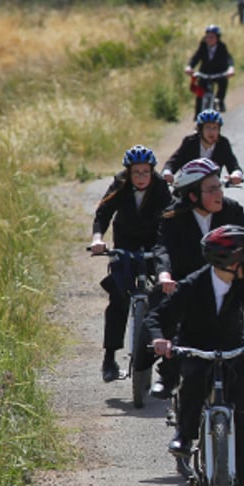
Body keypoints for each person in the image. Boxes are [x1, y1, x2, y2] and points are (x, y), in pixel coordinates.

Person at [147, 225, 244, 486]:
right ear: (227, 260)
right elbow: (158, 316)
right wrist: (161, 339)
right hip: (198, 350)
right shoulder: (193, 285)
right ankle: (184, 436)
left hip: (233, 353)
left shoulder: (242, 284)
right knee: (194, 380)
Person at [144, 158, 244, 398]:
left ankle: (237, 374)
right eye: (211, 189)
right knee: (165, 310)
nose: (219, 193)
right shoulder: (172, 216)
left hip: (225, 278)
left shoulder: (232, 210)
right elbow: (163, 248)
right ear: (192, 195)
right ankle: (167, 375)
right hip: (184, 280)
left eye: (219, 186)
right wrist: (164, 274)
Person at [89, 145, 174, 382]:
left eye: (145, 172)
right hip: (125, 243)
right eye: (136, 172)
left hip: (152, 244)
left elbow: (170, 217)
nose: (140, 177)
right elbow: (103, 212)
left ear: (152, 171)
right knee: (118, 297)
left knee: (165, 297)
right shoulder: (121, 183)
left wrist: (169, 248)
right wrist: (98, 239)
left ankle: (167, 365)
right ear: (128, 172)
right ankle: (109, 359)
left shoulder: (160, 187)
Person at [161, 109, 244, 186]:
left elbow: (233, 164)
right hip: (188, 187)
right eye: (208, 127)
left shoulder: (222, 144)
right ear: (200, 129)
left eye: (215, 128)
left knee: (230, 202)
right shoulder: (190, 142)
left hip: (212, 189)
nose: (212, 132)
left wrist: (236, 175)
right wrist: (167, 172)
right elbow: (174, 161)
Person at [184, 25, 235, 115]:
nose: (209, 39)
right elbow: (196, 57)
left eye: (212, 37)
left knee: (223, 82)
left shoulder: (222, 46)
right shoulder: (203, 45)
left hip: (218, 73)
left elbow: (228, 58)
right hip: (204, 73)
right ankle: (197, 119)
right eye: (207, 36)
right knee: (200, 94)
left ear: (217, 38)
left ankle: (220, 100)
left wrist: (230, 68)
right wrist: (189, 67)